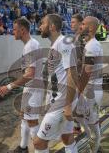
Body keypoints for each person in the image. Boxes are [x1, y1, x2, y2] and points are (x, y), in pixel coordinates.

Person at [0, 17, 44, 153]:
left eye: (15, 29)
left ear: (23, 30)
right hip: (30, 88)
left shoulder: (30, 45)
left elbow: (30, 74)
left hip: (34, 89)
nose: (13, 32)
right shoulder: (30, 44)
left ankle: (38, 151)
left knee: (32, 122)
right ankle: (23, 148)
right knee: (24, 117)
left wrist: (9, 86)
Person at [33, 14, 78, 153]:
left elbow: (72, 74)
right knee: (67, 137)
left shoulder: (64, 42)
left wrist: (68, 105)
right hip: (58, 101)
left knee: (39, 143)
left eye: (42, 23)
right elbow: (56, 77)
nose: (39, 27)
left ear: (52, 26)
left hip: (62, 102)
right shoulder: (55, 45)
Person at [78, 16, 103, 152]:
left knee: (92, 122)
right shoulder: (88, 44)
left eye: (83, 24)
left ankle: (95, 148)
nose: (81, 26)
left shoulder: (93, 45)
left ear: (91, 28)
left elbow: (87, 72)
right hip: (88, 89)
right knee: (83, 117)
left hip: (92, 90)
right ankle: (95, 143)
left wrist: (77, 91)